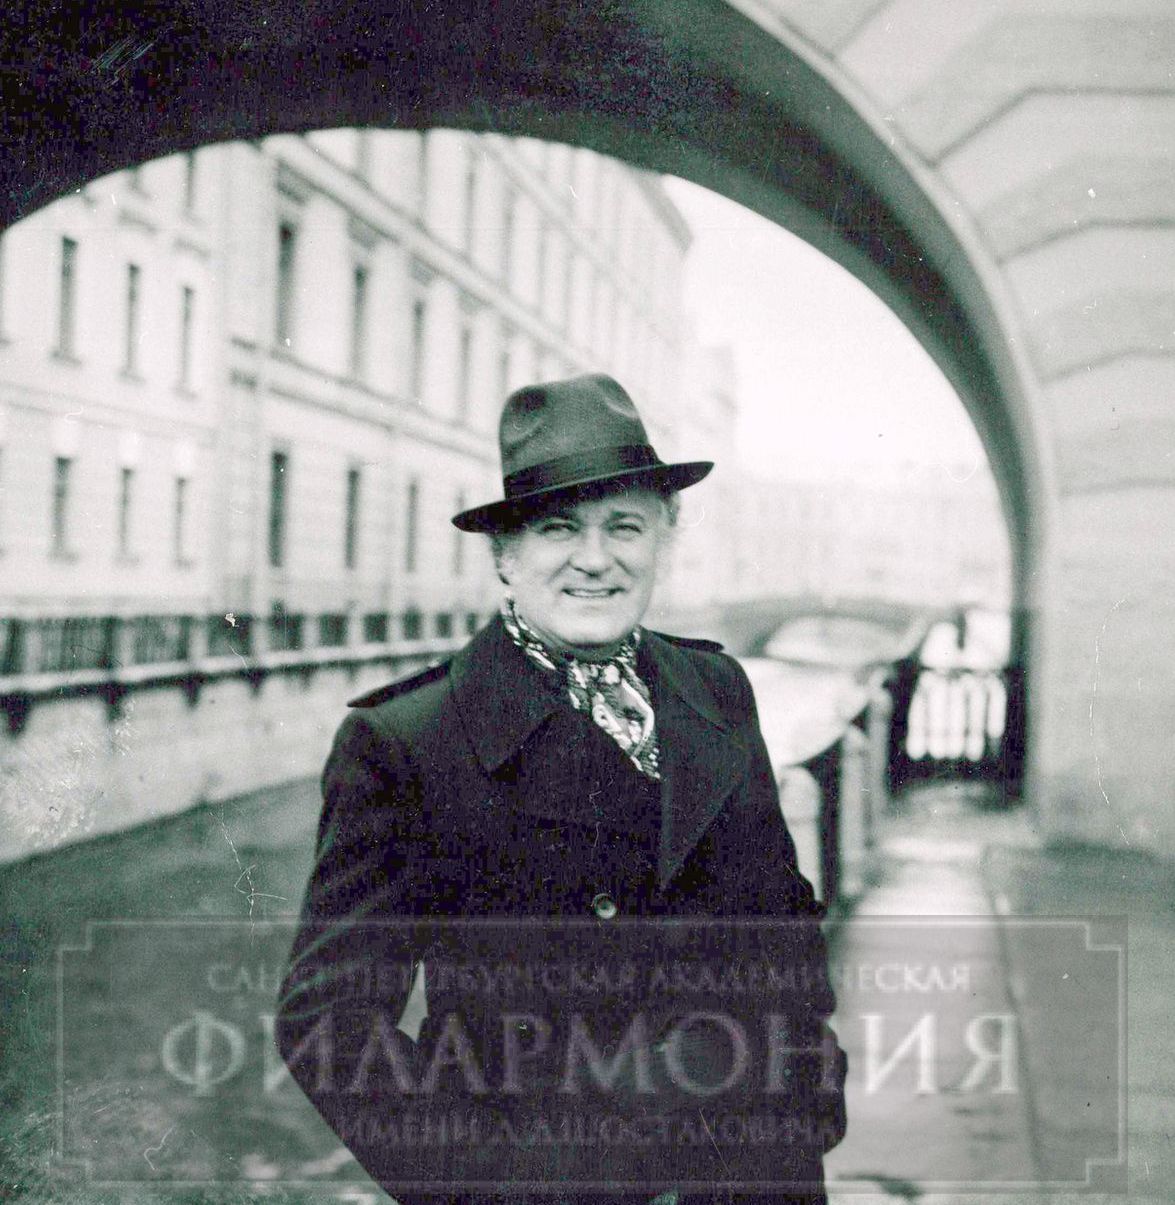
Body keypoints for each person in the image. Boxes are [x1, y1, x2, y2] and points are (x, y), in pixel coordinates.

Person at [275, 374, 846, 1204]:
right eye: (558, 528)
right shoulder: (409, 741)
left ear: (663, 538)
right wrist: (493, 1186)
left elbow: (781, 918)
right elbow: (329, 1022)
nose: (595, 558)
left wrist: (808, 1080)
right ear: (505, 555)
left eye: (625, 526)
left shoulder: (715, 688)